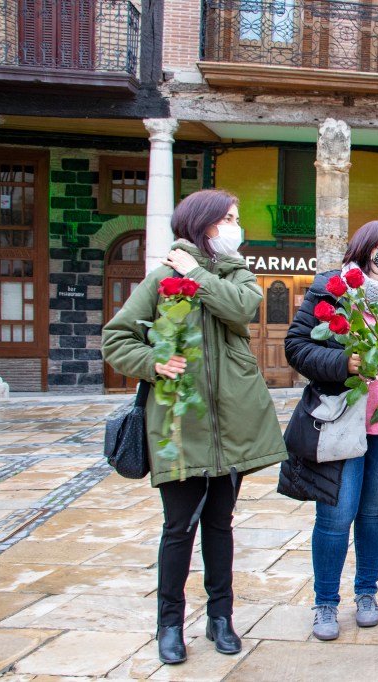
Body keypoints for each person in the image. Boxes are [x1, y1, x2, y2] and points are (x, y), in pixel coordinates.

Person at [102, 189, 287, 665]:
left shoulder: (237, 272)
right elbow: (116, 338)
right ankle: (169, 624)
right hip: (180, 426)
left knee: (220, 526)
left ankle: (220, 617)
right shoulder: (161, 279)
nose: (236, 227)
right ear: (204, 223)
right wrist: (154, 361)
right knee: (178, 528)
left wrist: (196, 275)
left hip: (233, 425)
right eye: (229, 218)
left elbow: (241, 308)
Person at [278, 220, 378, 641]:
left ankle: (367, 593)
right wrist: (341, 364)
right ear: (369, 248)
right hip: (339, 424)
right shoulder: (331, 290)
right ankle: (325, 602)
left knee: (373, 513)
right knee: (335, 515)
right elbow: (297, 346)